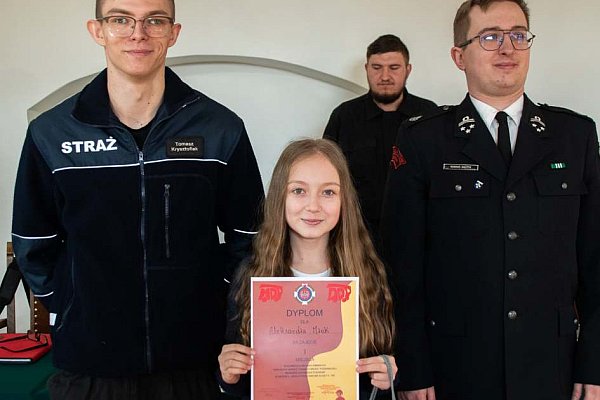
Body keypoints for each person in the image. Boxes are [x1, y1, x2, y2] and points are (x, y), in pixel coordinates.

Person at [11, 0, 264, 399]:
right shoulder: (52, 132)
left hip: (194, 362)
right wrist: (72, 304)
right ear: (98, 30)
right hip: (89, 367)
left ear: (173, 33)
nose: (138, 33)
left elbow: (251, 236)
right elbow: (33, 241)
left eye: (154, 21)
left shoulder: (219, 128)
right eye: (120, 19)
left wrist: (216, 298)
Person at [380, 1, 600, 400]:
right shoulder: (423, 140)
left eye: (518, 35)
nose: (507, 47)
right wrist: (413, 367)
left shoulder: (574, 136)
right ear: (459, 56)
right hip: (456, 366)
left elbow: (595, 260)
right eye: (490, 37)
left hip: (553, 365)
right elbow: (402, 267)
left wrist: (594, 362)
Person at [216, 139, 397, 399]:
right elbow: (241, 385)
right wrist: (228, 376)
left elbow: (377, 378)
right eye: (299, 190)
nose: (313, 206)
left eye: (328, 192)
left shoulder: (369, 275)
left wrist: (385, 378)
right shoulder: (251, 275)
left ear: (344, 200)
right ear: (280, 197)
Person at [323, 34, 437, 241]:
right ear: (366, 69)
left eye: (394, 67)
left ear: (408, 70)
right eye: (377, 68)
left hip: (418, 233)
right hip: (356, 235)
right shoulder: (344, 116)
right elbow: (325, 177)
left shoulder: (429, 115)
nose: (385, 76)